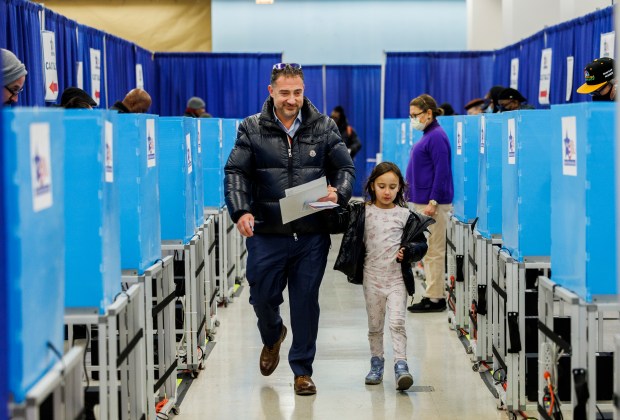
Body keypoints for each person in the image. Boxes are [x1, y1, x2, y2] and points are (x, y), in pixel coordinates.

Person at [224, 63, 355, 396]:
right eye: (285, 92)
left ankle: (302, 371)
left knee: (305, 302)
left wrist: (338, 192)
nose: (292, 99)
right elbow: (236, 173)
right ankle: (273, 335)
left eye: (298, 92)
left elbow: (345, 168)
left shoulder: (324, 127)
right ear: (271, 92)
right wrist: (240, 211)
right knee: (262, 297)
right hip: (267, 232)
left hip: (311, 234)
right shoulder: (251, 128)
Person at [332, 162, 434, 390]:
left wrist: (409, 252)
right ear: (371, 187)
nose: (387, 191)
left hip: (397, 279)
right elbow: (339, 224)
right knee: (375, 325)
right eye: (381, 186)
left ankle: (401, 365)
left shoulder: (406, 215)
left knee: (397, 322)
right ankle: (376, 362)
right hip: (372, 279)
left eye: (392, 186)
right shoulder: (362, 212)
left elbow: (421, 245)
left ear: (400, 188)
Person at [405, 94, 453, 313]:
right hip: (423, 202)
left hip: (432, 204)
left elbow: (442, 172)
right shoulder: (428, 134)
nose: (413, 119)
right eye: (411, 115)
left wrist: (433, 200)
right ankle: (432, 294)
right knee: (429, 250)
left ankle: (435, 299)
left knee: (434, 251)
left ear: (428, 113)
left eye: (415, 115)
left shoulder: (437, 136)